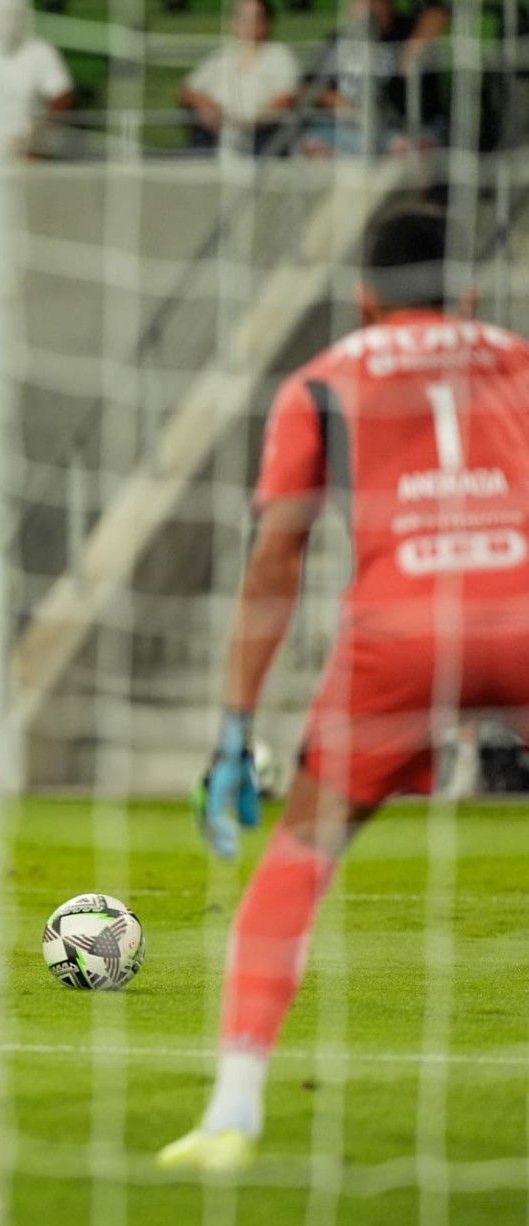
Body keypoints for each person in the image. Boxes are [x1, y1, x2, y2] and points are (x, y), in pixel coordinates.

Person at [162, 205, 529, 1171]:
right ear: (470, 291)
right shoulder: (519, 359)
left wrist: (237, 726)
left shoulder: (321, 379)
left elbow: (276, 559)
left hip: (399, 631)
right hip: (524, 610)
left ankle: (233, 1111)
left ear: (364, 297)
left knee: (301, 852)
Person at [304, 0, 448, 156]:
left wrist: (416, 47)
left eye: (375, 2)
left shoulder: (407, 29)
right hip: (356, 129)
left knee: (408, 149)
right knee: (313, 141)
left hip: (410, 127)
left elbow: (437, 11)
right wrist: (337, 101)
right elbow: (309, 86)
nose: (369, 8)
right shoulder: (339, 40)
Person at [178, 0, 300, 154]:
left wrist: (241, 125)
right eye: (243, 19)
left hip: (258, 139)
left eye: (255, 19)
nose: (249, 25)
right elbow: (187, 92)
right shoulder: (221, 56)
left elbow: (284, 102)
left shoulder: (279, 56)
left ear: (267, 22)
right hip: (212, 135)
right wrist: (202, 103)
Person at [0, 0, 72, 160]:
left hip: (28, 152)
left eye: (15, 16)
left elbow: (61, 97)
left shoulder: (41, 52)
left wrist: (38, 140)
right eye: (4, 16)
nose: (9, 23)